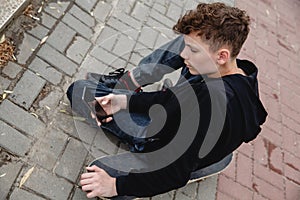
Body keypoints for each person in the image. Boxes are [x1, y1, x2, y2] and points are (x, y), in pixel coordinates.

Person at [67, 2, 268, 199]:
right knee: (190, 44)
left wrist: (115, 185)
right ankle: (215, 160)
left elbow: (174, 174)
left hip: (168, 145)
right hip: (203, 134)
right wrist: (123, 102)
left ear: (222, 56)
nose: (182, 55)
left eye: (193, 50)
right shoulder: (240, 72)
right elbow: (172, 99)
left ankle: (193, 166)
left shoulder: (208, 103)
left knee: (79, 93)